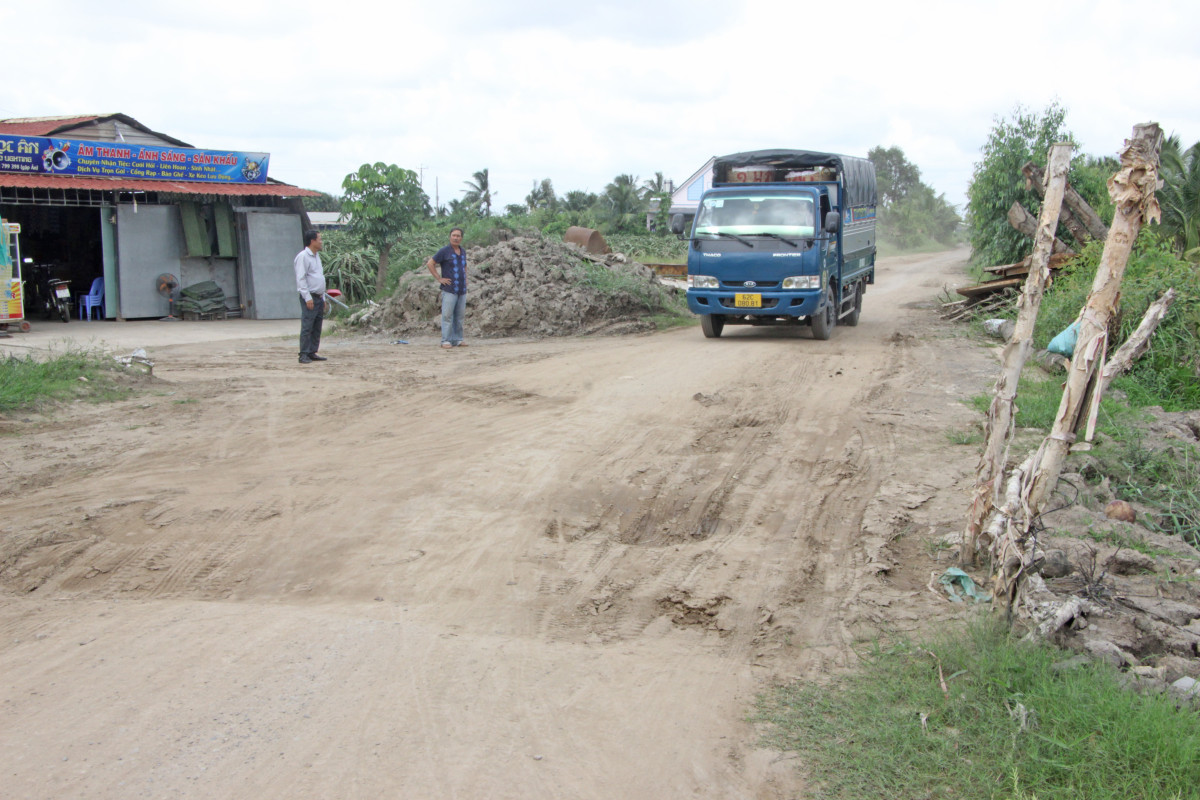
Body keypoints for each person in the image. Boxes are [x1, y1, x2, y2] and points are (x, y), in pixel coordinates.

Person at [426, 227, 468, 348]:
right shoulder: (444, 251)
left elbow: (464, 266)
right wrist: (439, 278)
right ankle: (446, 340)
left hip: (461, 289)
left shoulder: (463, 251)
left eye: (458, 236)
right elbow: (430, 263)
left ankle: (458, 339)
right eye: (454, 235)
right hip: (449, 289)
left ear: (461, 238)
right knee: (447, 315)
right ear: (450, 237)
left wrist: (466, 279)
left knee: (459, 316)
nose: (456, 238)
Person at [294, 230, 327, 364]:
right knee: (307, 325)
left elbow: (318, 277)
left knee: (316, 326)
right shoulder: (303, 257)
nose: (321, 242)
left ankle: (312, 351)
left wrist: (323, 297)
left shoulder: (316, 256)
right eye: (319, 239)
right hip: (310, 297)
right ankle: (303, 354)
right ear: (312, 241)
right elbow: (301, 279)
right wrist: (307, 297)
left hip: (318, 296)